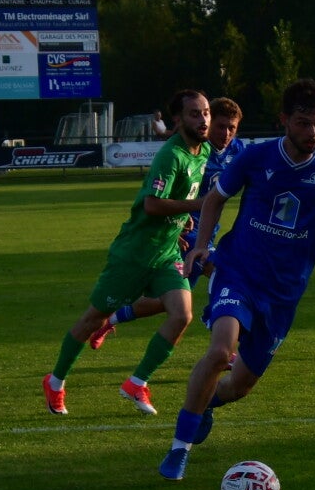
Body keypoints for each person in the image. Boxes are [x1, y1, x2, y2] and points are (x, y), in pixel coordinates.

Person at [157, 78, 315, 481]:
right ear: (284, 120)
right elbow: (215, 198)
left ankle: (205, 404)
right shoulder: (256, 158)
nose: (313, 132)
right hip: (238, 271)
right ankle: (179, 449)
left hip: (283, 294)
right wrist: (202, 246)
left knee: (240, 386)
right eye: (303, 123)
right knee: (221, 352)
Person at [42, 90, 213, 416]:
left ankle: (136, 382)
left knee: (182, 314)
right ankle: (55, 381)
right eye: (195, 114)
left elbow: (177, 198)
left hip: (165, 253)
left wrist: (182, 220)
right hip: (134, 254)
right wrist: (195, 206)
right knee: (93, 320)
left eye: (206, 112)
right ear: (177, 120)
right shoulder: (171, 155)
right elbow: (151, 205)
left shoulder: (202, 150)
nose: (203, 119)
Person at [85, 96, 249, 354]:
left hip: (207, 234)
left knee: (166, 301)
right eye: (220, 126)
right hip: (186, 235)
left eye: (232, 128)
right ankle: (226, 349)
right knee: (226, 276)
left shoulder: (237, 151)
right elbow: (161, 197)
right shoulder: (195, 152)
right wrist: (175, 228)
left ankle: (110, 318)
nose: (226, 133)